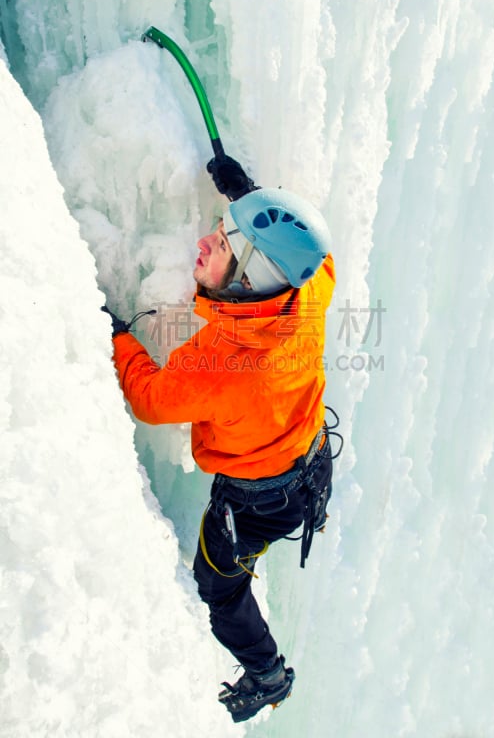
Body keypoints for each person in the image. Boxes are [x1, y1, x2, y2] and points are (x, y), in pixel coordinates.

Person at [104, 156, 338, 723]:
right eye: (222, 228)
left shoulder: (222, 362)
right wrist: (253, 203)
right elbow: (317, 256)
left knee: (220, 587)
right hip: (311, 466)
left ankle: (268, 675)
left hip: (257, 501)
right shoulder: (305, 294)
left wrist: (116, 337)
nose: (207, 242)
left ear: (250, 278)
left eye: (226, 244)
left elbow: (152, 399)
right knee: (237, 562)